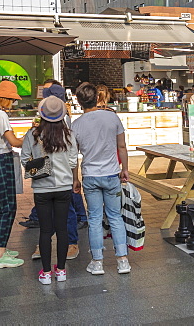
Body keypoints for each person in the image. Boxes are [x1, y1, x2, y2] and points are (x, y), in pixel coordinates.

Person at [71, 82, 131, 276]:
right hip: (112, 173)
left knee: (95, 218)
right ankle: (123, 261)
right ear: (98, 97)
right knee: (115, 216)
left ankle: (97, 263)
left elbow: (73, 157)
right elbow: (121, 146)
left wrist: (75, 179)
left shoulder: (76, 125)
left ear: (79, 102)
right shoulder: (112, 118)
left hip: (90, 176)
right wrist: (125, 169)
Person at [21, 96, 79, 284]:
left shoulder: (33, 134)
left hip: (41, 188)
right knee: (62, 229)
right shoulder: (68, 135)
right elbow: (72, 161)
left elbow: (24, 159)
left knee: (45, 231)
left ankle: (46, 273)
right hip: (63, 187)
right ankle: (61, 271)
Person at [0, 80, 26, 268]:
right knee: (8, 206)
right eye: (12, 99)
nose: (13, 103)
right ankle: (1, 254)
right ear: (6, 99)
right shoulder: (0, 115)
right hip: (0, 160)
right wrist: (30, 136)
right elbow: (14, 142)